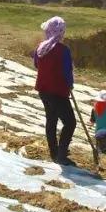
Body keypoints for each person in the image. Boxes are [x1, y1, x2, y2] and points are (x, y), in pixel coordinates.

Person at [32, 16, 75, 163]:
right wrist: (70, 85)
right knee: (70, 123)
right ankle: (61, 155)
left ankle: (54, 151)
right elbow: (67, 71)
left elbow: (37, 65)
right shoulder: (63, 50)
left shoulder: (41, 48)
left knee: (51, 120)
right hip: (58, 92)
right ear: (61, 32)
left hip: (43, 90)